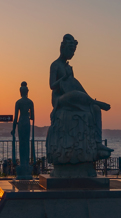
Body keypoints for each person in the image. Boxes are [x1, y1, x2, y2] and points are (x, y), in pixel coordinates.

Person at [46, 34, 113, 170]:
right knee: (75, 95)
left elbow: (73, 84)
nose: (72, 54)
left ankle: (97, 142)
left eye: (74, 51)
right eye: (70, 50)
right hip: (60, 99)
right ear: (62, 48)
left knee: (94, 109)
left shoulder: (68, 67)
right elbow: (52, 86)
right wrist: (64, 77)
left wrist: (72, 82)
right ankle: (96, 101)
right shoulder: (55, 65)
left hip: (72, 97)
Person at [12, 81, 35, 180]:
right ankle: (26, 163)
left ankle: (22, 163)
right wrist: (29, 114)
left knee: (22, 143)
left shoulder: (18, 102)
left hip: (21, 122)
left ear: (20, 92)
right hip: (27, 122)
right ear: (27, 92)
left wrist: (13, 129)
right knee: (27, 143)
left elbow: (15, 117)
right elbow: (32, 117)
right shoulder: (30, 102)